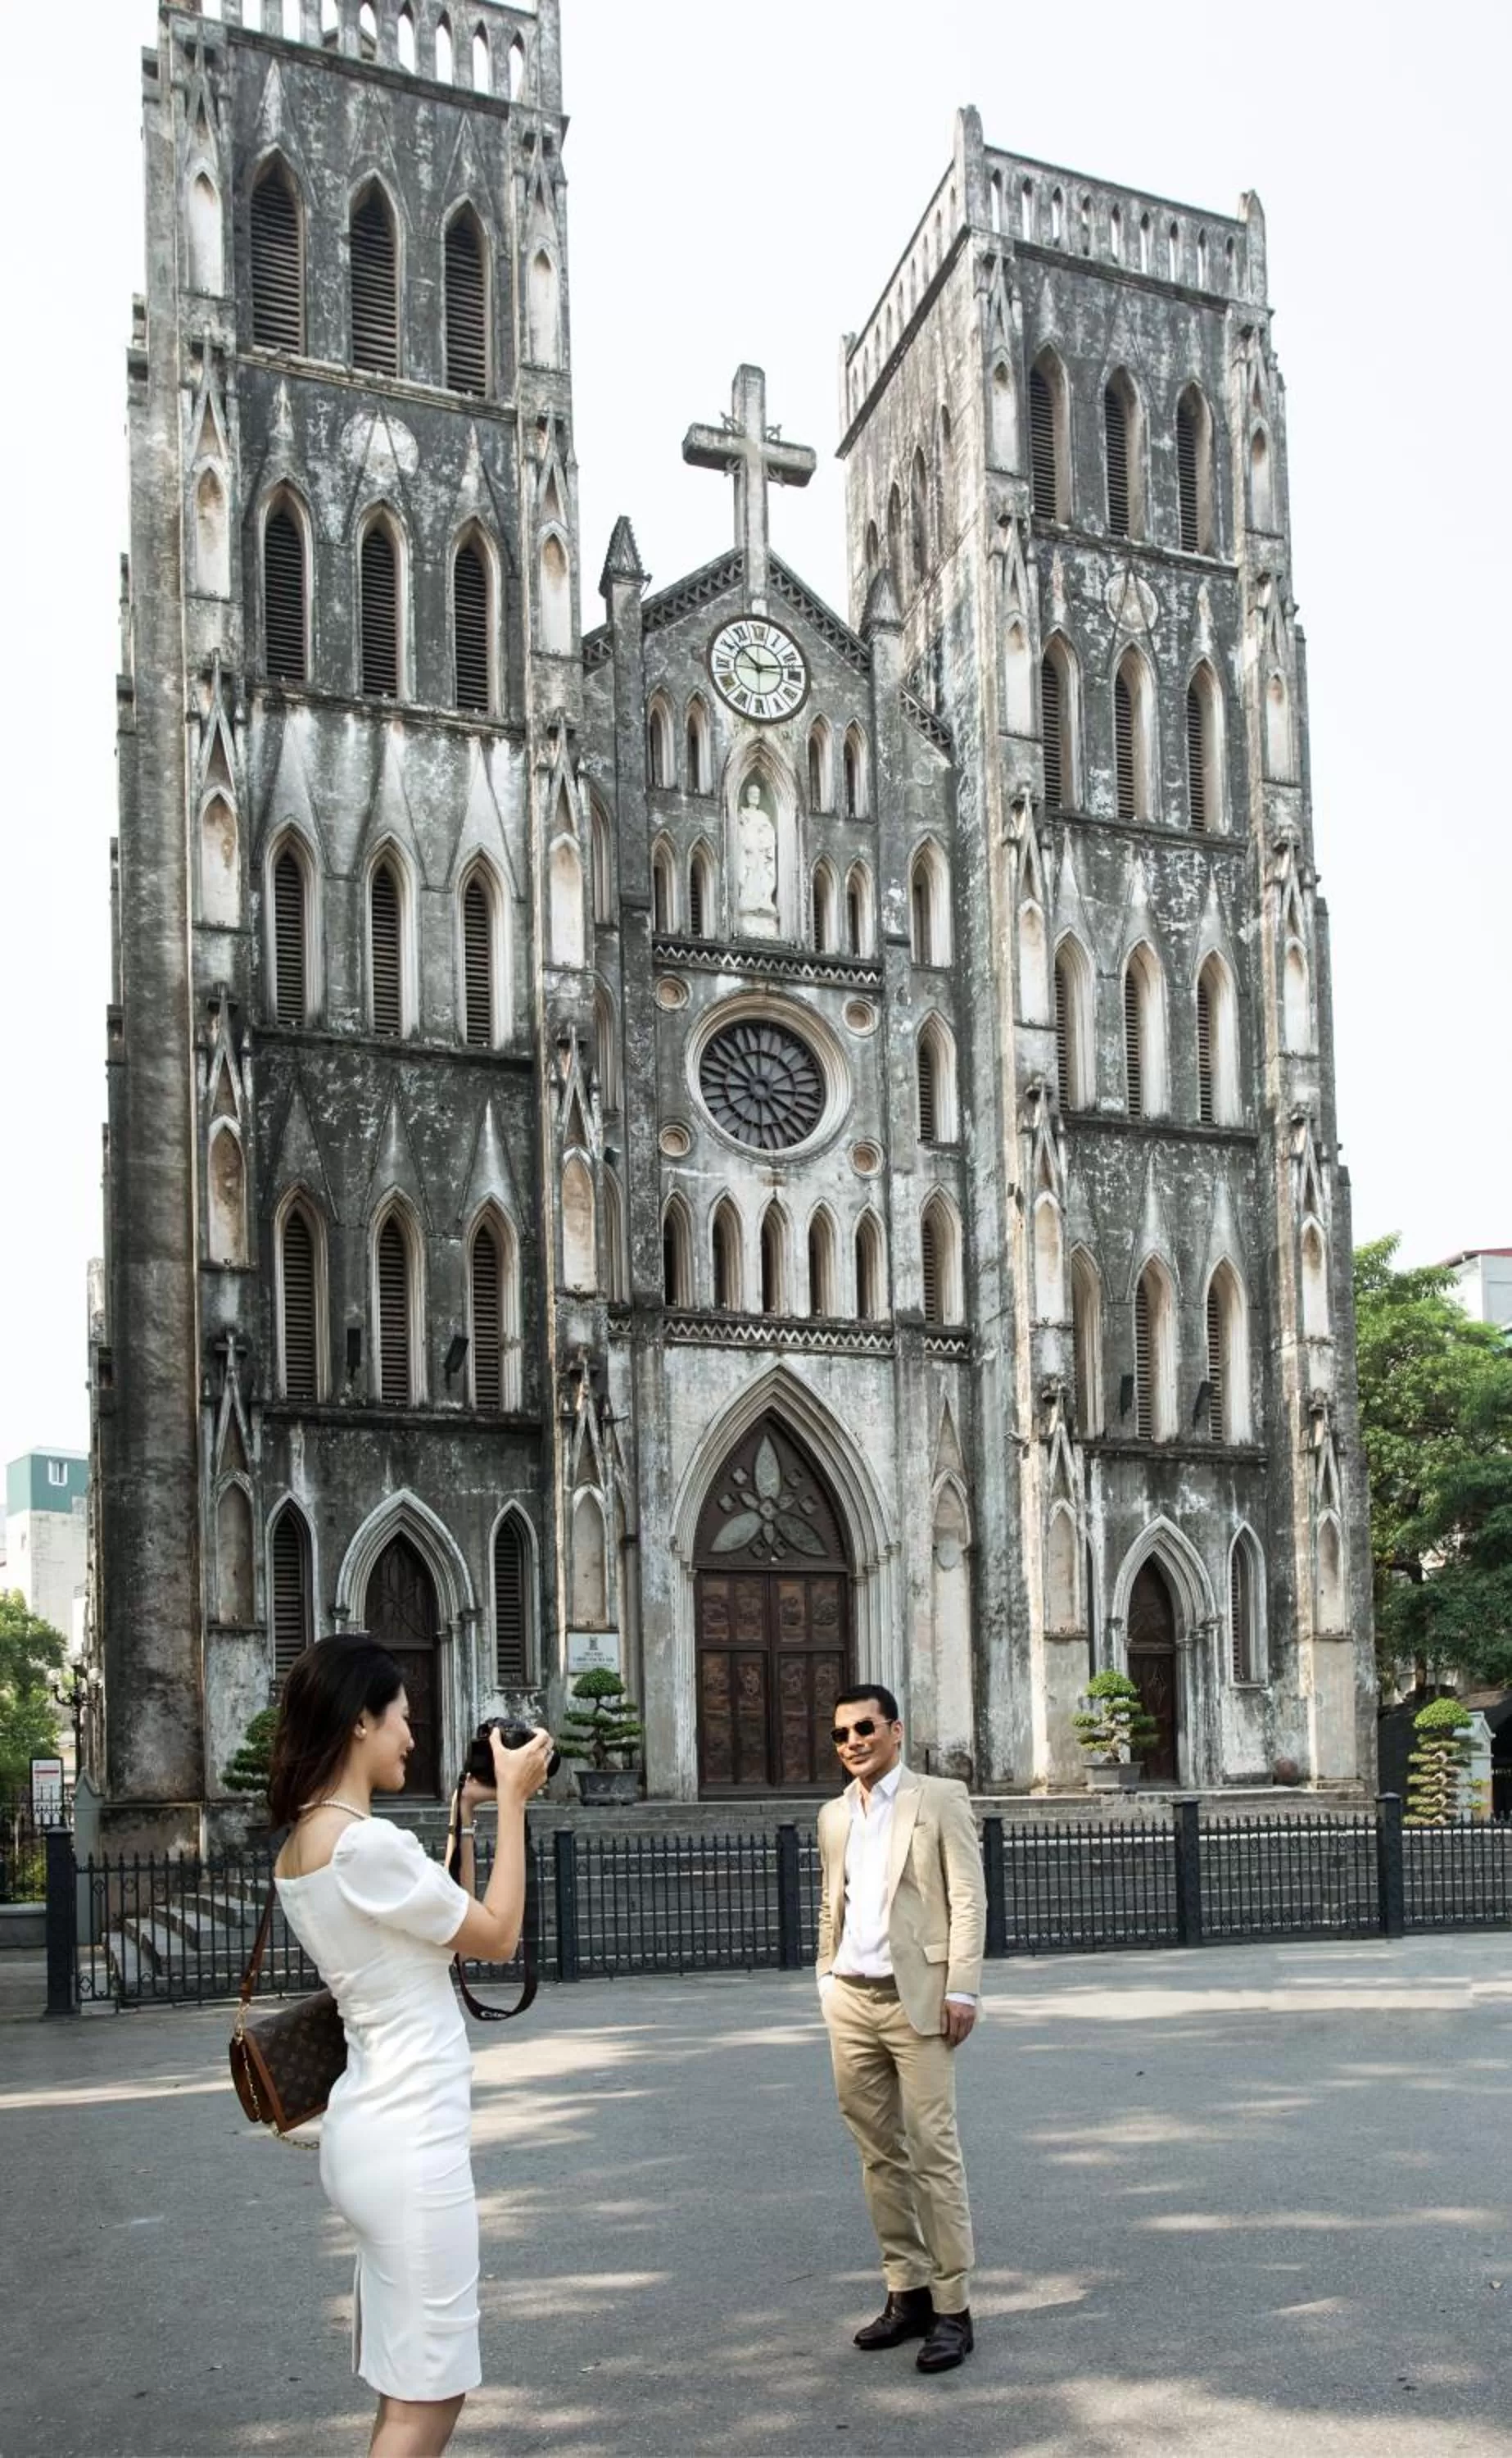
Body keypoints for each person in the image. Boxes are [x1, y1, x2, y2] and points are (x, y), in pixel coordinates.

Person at [269, 1634, 554, 2458]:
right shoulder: (364, 1844)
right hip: (409, 2139)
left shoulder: (312, 1843)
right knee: (430, 2396)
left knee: (408, 2388)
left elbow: (445, 1930)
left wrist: (464, 1817)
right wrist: (513, 1803)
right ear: (360, 1721)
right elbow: (497, 1937)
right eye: (401, 1718)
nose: (412, 1738)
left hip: (370, 2127)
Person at [816, 1683, 986, 2374]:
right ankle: (905, 2292)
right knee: (878, 2156)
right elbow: (836, 1900)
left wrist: (964, 1987)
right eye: (840, 1734)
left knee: (933, 2152)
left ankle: (953, 2308)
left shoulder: (938, 1798)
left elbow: (968, 1896)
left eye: (864, 1728)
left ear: (895, 1729)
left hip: (918, 2001)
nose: (852, 1741)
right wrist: (824, 1975)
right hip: (850, 2002)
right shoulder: (833, 1815)